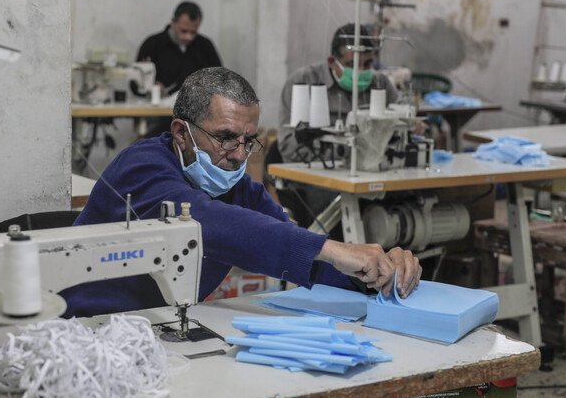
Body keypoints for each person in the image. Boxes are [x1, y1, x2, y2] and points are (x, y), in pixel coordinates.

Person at [60, 67, 421, 317]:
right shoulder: (141, 168)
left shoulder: (236, 188)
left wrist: (377, 274)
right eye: (225, 138)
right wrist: (333, 248)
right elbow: (206, 223)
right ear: (181, 133)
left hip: (156, 327)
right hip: (85, 325)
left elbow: (289, 245)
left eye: (248, 141)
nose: (237, 154)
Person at [278, 23, 412, 163]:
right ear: (332, 62)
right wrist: (345, 153)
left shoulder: (380, 83)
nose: (360, 71)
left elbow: (403, 117)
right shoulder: (303, 82)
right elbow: (288, 146)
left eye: (367, 64)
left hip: (368, 171)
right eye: (352, 65)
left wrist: (411, 126)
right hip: (317, 174)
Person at [136, 1, 222, 97]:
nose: (188, 37)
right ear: (173, 22)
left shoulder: (205, 46)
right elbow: (135, 83)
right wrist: (152, 87)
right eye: (183, 31)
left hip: (198, 108)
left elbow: (220, 79)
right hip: (159, 107)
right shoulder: (152, 44)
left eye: (193, 32)